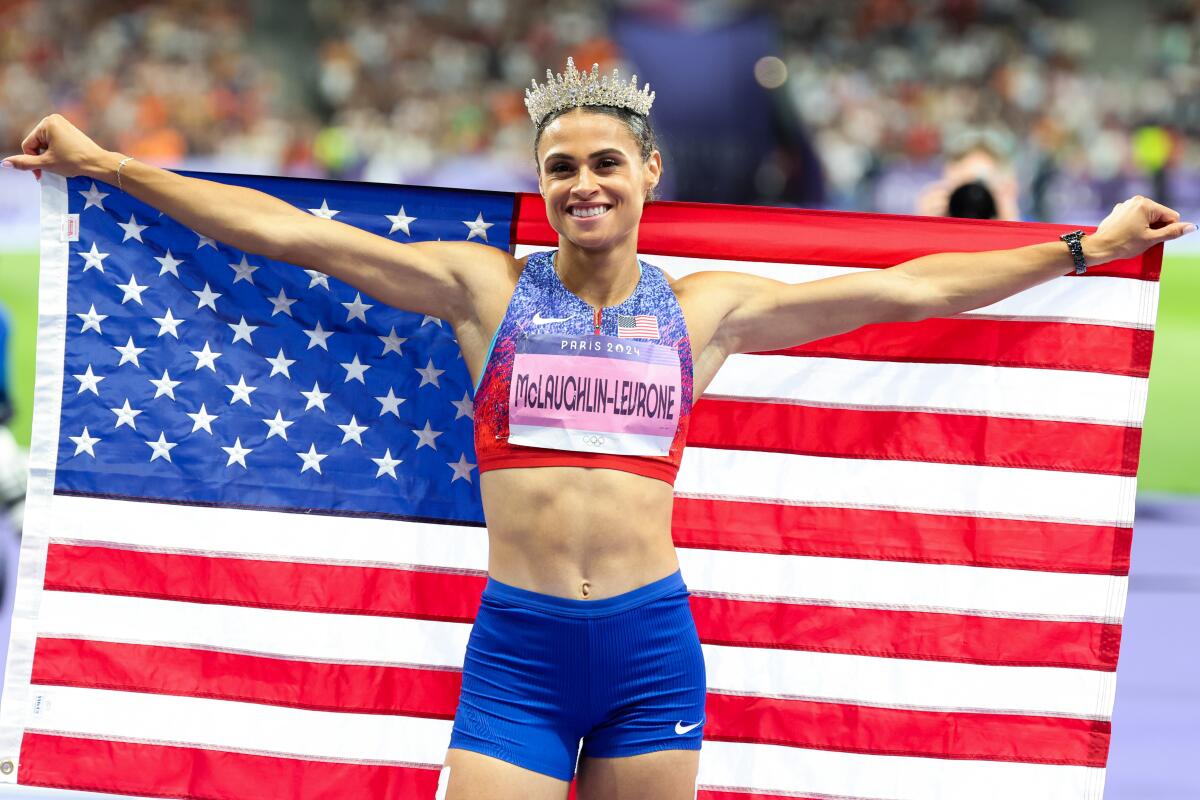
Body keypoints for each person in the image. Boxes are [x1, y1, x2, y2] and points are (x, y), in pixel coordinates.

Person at [3, 57, 1193, 800]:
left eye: (605, 162)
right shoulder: (484, 290)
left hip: (647, 649)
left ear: (647, 171)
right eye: (562, 165)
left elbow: (917, 290)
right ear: (542, 180)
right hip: (517, 652)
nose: (585, 182)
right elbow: (293, 236)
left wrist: (1085, 249)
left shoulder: (707, 310)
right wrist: (113, 164)